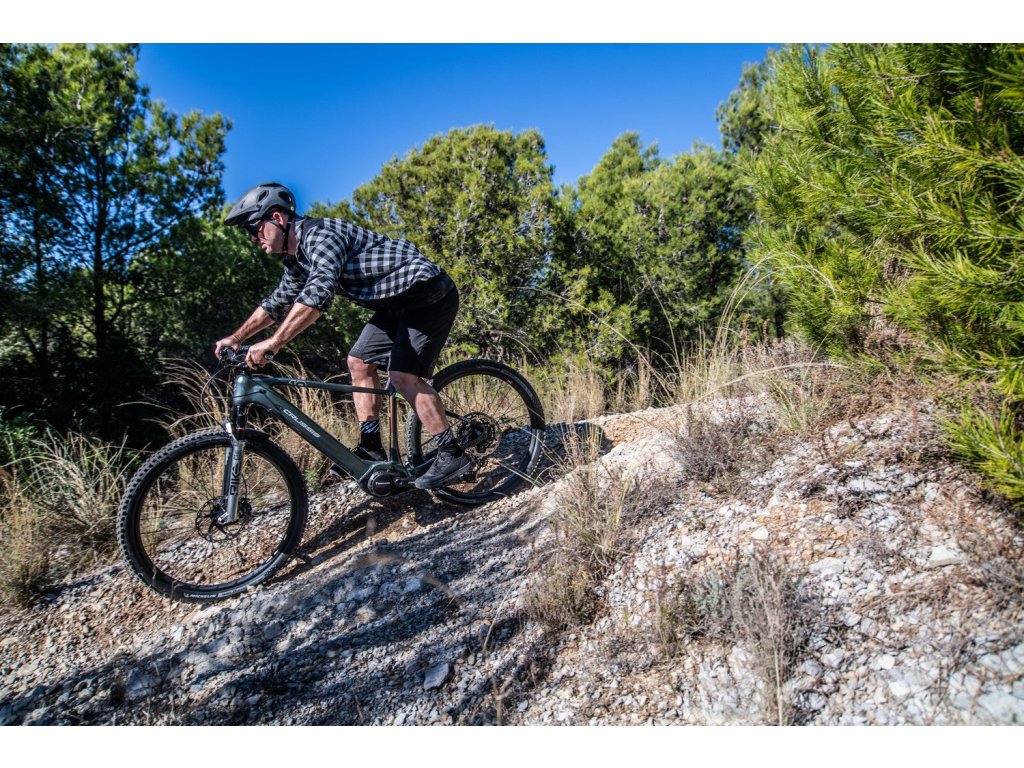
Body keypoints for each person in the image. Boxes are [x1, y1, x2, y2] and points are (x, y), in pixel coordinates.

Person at [214, 181, 471, 490]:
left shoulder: (321, 236)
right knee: (359, 361)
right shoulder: (297, 259)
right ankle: (371, 446)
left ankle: (452, 453)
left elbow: (318, 294)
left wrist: (274, 342)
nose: (253, 238)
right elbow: (276, 303)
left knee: (402, 375)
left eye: (253, 229)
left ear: (278, 218)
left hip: (427, 292)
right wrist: (237, 338)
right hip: (397, 303)